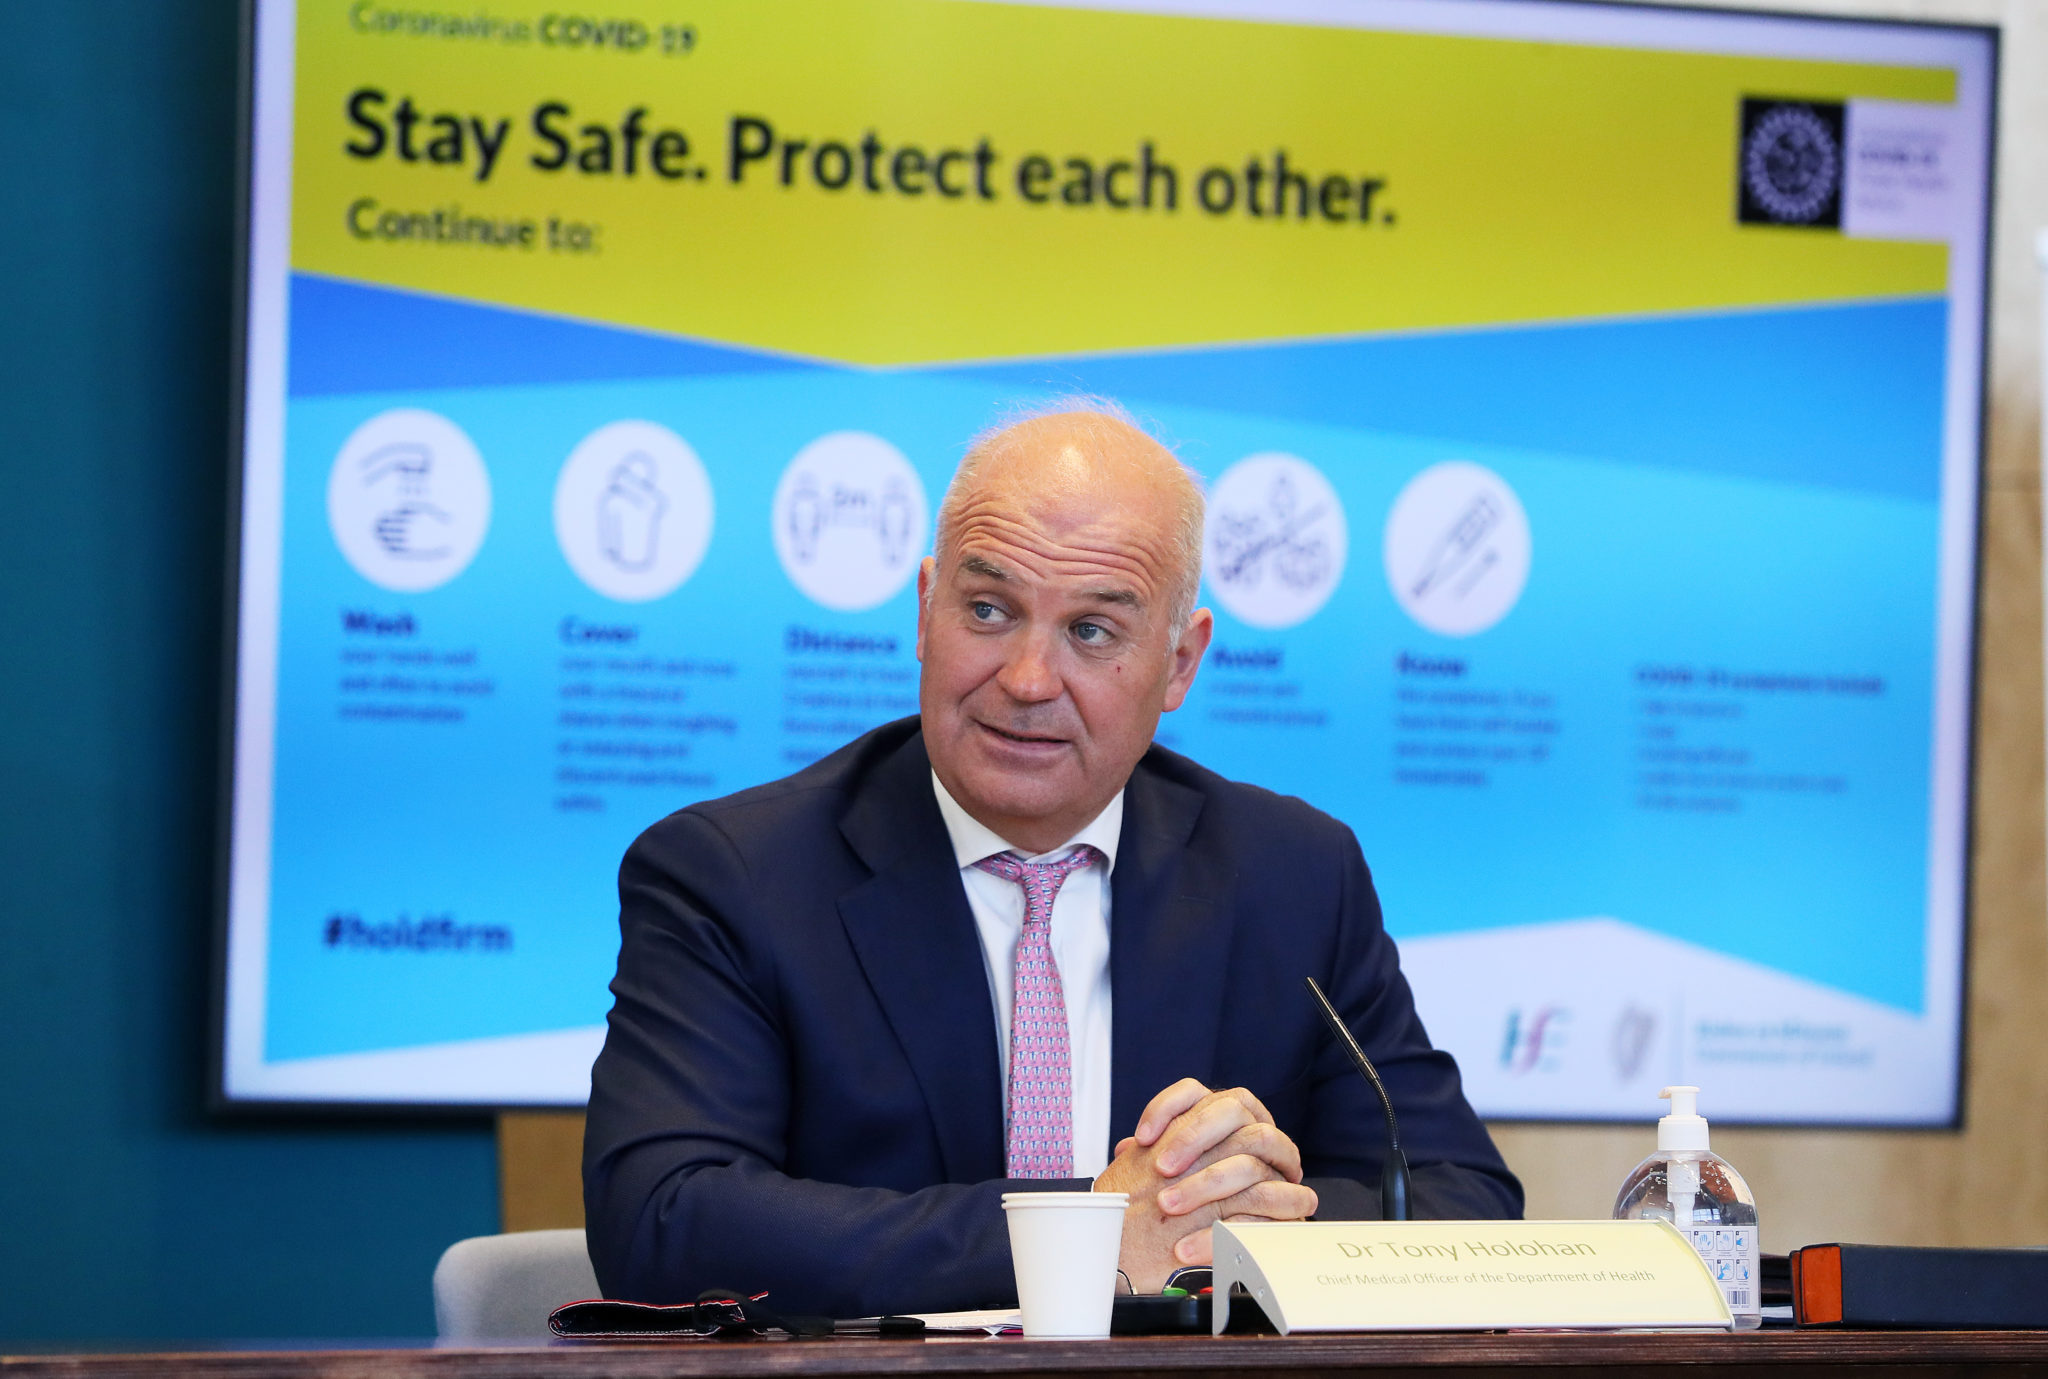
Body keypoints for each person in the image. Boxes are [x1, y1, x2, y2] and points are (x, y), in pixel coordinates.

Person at [583, 405, 1521, 1318]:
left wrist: (1224, 1220)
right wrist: (1097, 1230)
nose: (1028, 679)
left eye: (1091, 631)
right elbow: (664, 1221)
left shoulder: (1292, 874)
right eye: (988, 609)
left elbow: (1457, 1201)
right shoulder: (734, 875)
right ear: (925, 610)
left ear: (1179, 663)